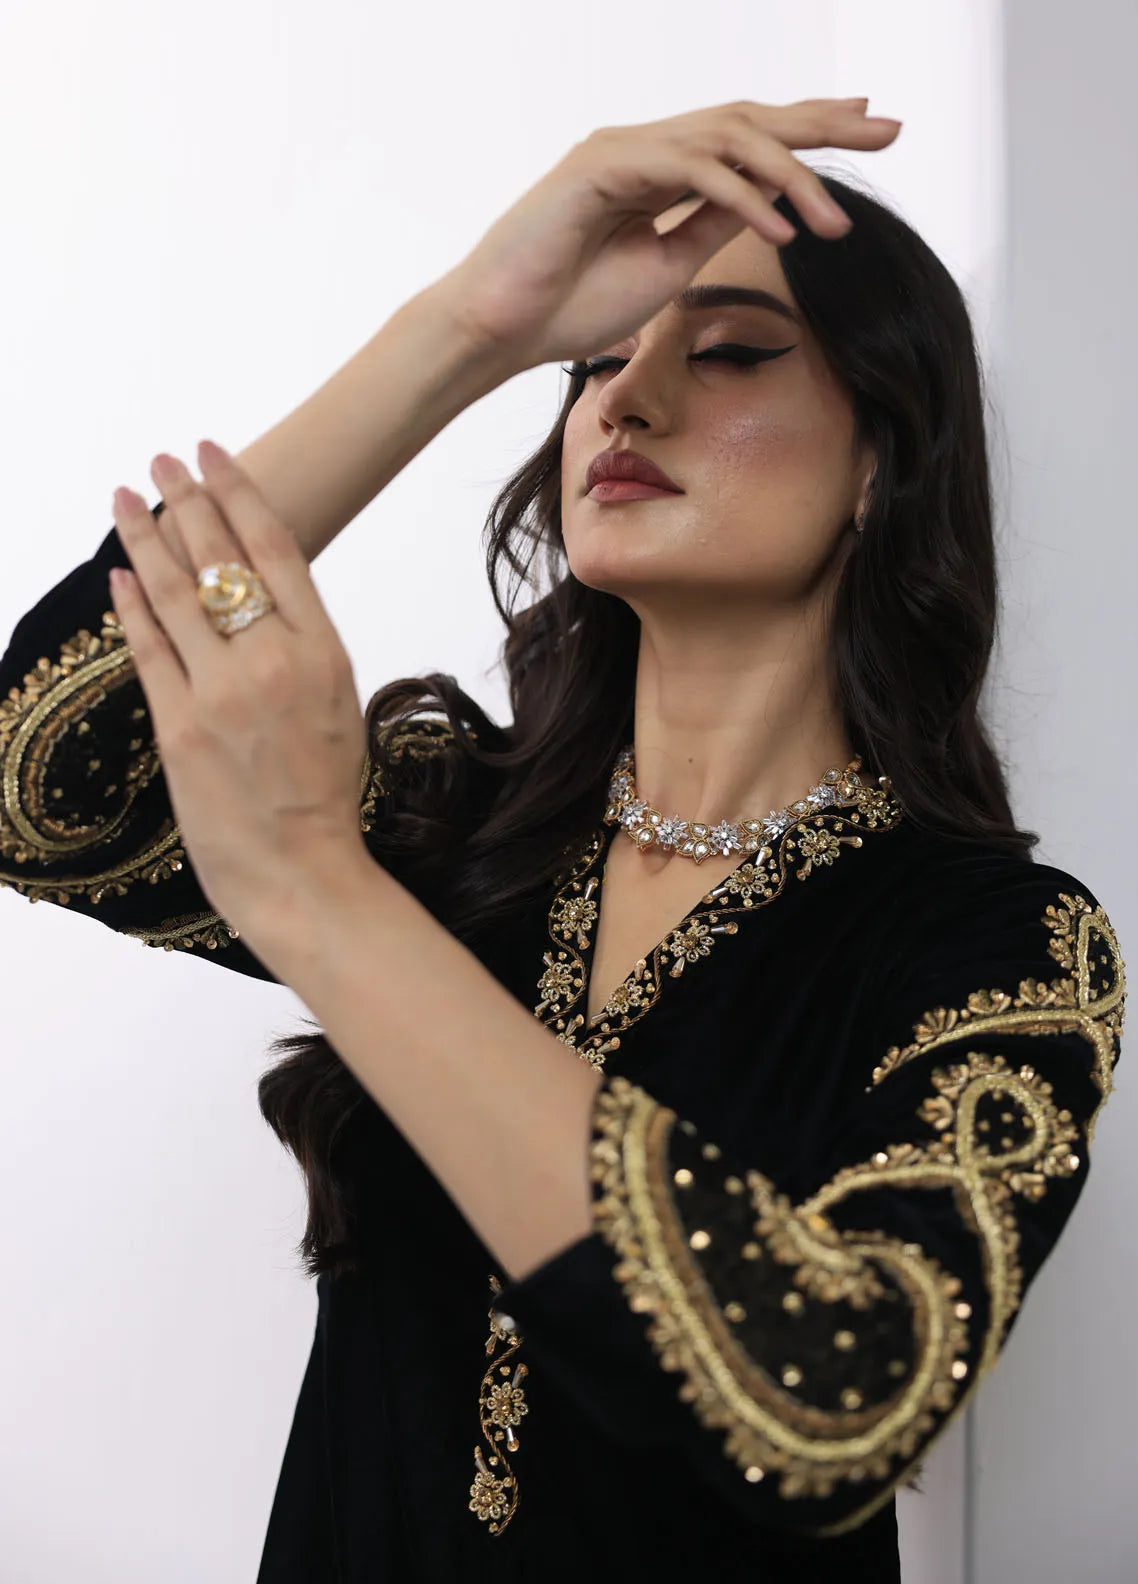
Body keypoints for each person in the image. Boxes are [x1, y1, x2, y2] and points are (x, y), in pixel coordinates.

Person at [0, 98, 1125, 1583]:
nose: (625, 401)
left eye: (727, 351)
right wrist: (471, 326)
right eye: (593, 365)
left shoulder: (998, 943)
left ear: (879, 460)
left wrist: (320, 892)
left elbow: (837, 1401)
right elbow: (42, 790)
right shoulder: (453, 827)